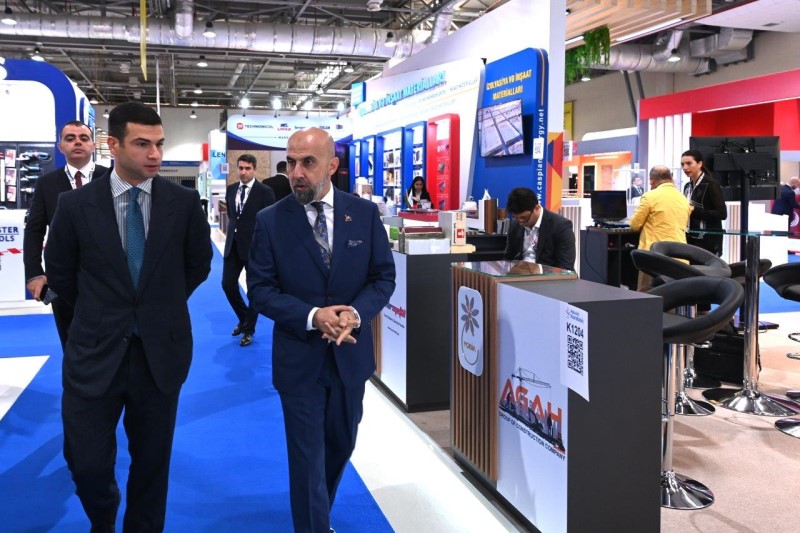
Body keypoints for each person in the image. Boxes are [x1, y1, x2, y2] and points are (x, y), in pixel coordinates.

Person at [44, 102, 213, 532]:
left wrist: (159, 304)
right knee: (86, 462)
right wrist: (103, 310)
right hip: (94, 352)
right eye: (142, 144)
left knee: (152, 465)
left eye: (159, 144)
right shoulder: (75, 205)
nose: (154, 154)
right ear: (114, 145)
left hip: (160, 354)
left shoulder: (183, 203)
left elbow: (198, 265)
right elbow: (60, 273)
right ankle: (103, 517)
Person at [247, 127, 395, 533]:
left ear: (332, 165)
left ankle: (318, 513)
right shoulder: (270, 221)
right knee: (306, 457)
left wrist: (354, 315)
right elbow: (260, 291)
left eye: (308, 163)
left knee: (340, 445)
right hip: (299, 360)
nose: (296, 172)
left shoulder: (363, 214)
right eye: (291, 162)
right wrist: (314, 316)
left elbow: (382, 277)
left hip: (350, 358)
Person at [23, 121, 109, 348]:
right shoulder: (46, 184)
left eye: (83, 138)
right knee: (70, 342)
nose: (77, 142)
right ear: (60, 147)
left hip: (109, 277)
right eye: (70, 138)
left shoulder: (111, 179)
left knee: (111, 342)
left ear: (93, 145)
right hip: (61, 278)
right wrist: (34, 273)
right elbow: (34, 230)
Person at [223, 154, 276, 347]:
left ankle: (248, 329)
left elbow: (270, 220)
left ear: (254, 169)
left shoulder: (265, 192)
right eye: (240, 168)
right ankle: (245, 318)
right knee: (227, 285)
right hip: (233, 245)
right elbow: (232, 216)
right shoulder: (231, 190)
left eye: (247, 168)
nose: (243, 172)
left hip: (255, 248)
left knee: (254, 290)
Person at [629, 166, 692, 292]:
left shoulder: (650, 196)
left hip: (653, 257)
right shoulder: (683, 198)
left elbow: (634, 225)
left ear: (652, 180)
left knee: (647, 295)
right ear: (670, 178)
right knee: (673, 295)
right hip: (679, 256)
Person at [504, 187, 576, 270]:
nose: (520, 222)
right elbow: (508, 258)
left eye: (524, 217)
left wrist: (538, 271)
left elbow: (565, 267)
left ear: (536, 208)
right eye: (516, 217)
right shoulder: (514, 224)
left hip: (548, 276)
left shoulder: (560, 226)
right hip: (519, 274)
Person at [681, 149, 727, 256]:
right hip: (690, 238)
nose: (685, 168)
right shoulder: (687, 186)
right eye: (682, 164)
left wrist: (694, 209)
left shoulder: (711, 184)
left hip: (708, 241)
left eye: (689, 163)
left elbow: (722, 214)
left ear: (700, 164)